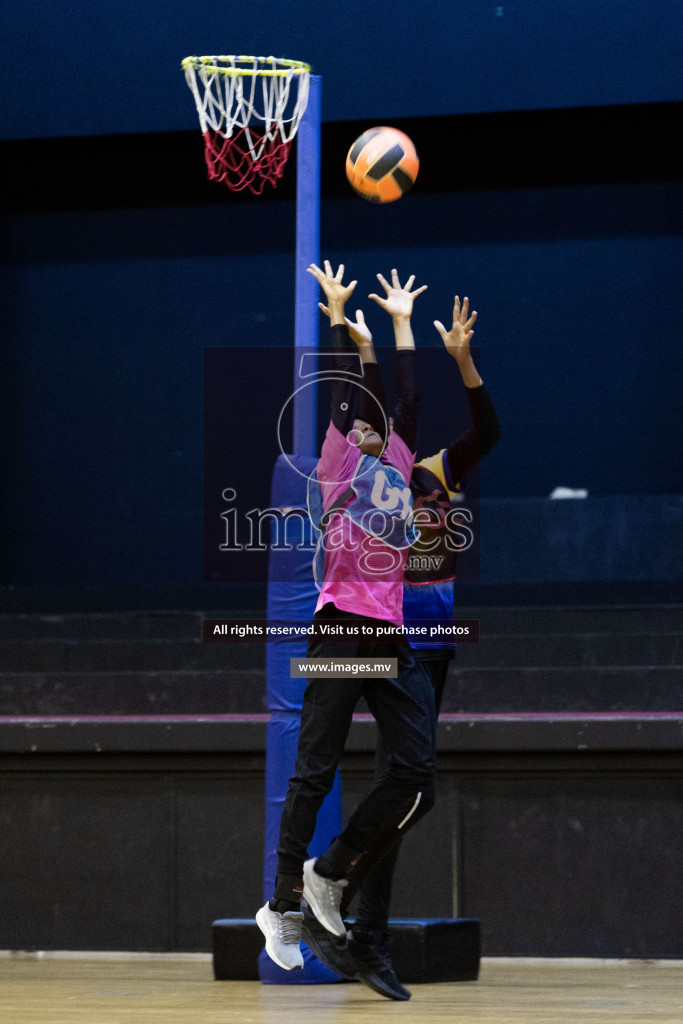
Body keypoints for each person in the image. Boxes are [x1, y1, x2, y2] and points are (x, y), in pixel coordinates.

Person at [300, 293, 501, 999]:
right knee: (403, 782)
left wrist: (463, 362)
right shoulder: (352, 475)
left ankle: (351, 909)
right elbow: (375, 398)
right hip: (376, 636)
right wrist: (361, 337)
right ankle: (359, 928)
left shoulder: (432, 470)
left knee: (414, 791)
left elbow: (487, 429)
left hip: (431, 641)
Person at [256, 261, 438, 988]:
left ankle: (330, 875)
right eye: (356, 417)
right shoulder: (336, 459)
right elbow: (347, 387)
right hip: (338, 627)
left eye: (376, 419)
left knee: (417, 774)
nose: (366, 423)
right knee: (313, 769)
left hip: (388, 637)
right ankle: (282, 906)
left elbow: (408, 392)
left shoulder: (394, 452)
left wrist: (397, 325)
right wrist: (340, 321)